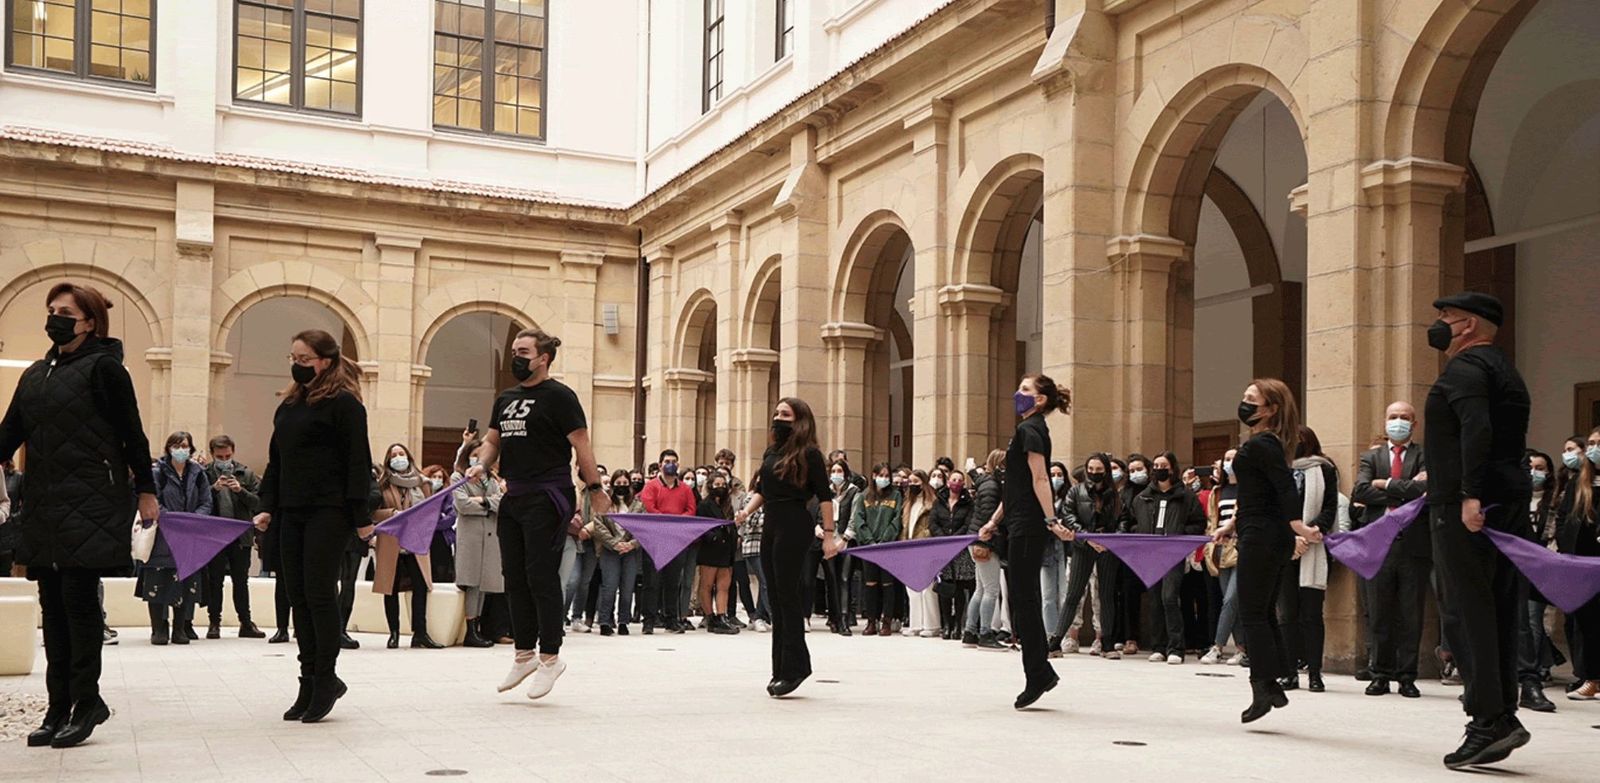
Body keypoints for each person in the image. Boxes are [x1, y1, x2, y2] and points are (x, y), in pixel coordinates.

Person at [0, 283, 158, 748]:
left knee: (78, 604)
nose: (55, 317)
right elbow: (10, 432)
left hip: (92, 500)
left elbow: (133, 434)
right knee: (54, 608)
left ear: (89, 321)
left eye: (65, 311)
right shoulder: (35, 374)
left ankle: (85, 702)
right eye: (52, 310)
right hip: (45, 504)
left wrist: (146, 492)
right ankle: (57, 707)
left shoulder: (106, 368)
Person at [1422, 292, 1533, 769]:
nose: (1440, 327)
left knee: (1466, 614)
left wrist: (1468, 493)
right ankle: (1502, 712)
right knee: (1498, 612)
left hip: (1469, 508)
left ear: (1467, 325)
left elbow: (1476, 429)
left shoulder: (1466, 369)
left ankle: (1488, 720)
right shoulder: (1505, 370)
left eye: (1446, 319)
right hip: (1504, 501)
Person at [467, 329, 609, 701]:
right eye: (513, 350)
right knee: (513, 575)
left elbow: (582, 445)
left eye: (523, 351)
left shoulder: (561, 397)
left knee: (540, 575)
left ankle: (550, 656)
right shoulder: (506, 398)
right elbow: (493, 441)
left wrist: (595, 489)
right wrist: (481, 464)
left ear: (543, 358)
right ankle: (524, 653)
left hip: (548, 494)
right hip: (513, 494)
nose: (516, 357)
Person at [252, 328, 375, 724]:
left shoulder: (345, 404)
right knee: (297, 595)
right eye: (293, 359)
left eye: (304, 359)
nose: (297, 366)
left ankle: (325, 677)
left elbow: (358, 462)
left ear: (326, 361)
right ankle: (308, 678)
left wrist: (361, 518)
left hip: (329, 510)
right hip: (291, 510)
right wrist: (266, 505)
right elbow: (276, 462)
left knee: (320, 593)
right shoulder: (289, 405)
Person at [1212, 378, 1320, 724]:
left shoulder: (1264, 445)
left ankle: (1263, 686)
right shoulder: (1266, 443)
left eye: (1251, 399)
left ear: (1270, 409)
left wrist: (1297, 524)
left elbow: (1284, 488)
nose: (1244, 404)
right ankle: (1272, 682)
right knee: (1263, 611)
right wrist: (1230, 526)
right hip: (1260, 531)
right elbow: (1257, 493)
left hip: (1264, 536)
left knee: (1252, 613)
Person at [734, 398, 838, 698]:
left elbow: (825, 497)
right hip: (772, 523)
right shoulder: (772, 452)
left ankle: (795, 668)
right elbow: (763, 491)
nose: (778, 418)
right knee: (775, 599)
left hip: (795, 523)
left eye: (786, 414)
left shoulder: (810, 454)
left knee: (787, 596)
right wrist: (745, 512)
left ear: (800, 420)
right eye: (777, 413)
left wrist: (829, 535)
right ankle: (780, 668)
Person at [979, 373, 1069, 709]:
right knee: (1022, 597)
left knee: (1025, 598)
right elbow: (1015, 486)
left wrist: (1051, 520)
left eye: (1025, 390)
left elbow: (1040, 477)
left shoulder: (1030, 430)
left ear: (1040, 400)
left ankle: (1039, 672)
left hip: (1029, 526)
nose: (1018, 393)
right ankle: (1039, 670)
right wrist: (993, 521)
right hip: (1018, 522)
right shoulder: (1027, 429)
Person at [1353, 401, 1430, 699]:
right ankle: (1380, 675)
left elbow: (1427, 492)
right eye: (1393, 417)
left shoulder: (1425, 455)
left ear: (1415, 424)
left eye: (1405, 418)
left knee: (1411, 615)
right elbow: (1360, 491)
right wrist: (1407, 486)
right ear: (1384, 421)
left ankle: (1407, 676)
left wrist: (1385, 484)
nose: (1398, 422)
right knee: (1380, 613)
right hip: (1379, 545)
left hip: (1414, 545)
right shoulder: (1370, 457)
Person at [1128, 451, 1205, 664]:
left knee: (1169, 597)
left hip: (1173, 553)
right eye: (1156, 466)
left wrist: (1180, 533)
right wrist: (1139, 533)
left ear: (1172, 469)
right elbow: (1130, 521)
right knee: (1154, 600)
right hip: (1150, 554)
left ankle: (1176, 647)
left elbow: (1198, 523)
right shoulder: (1143, 497)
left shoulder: (1186, 496)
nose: (1159, 469)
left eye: (1164, 465)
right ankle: (1158, 646)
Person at [1281, 426, 1338, 693]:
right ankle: (1289, 672)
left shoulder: (1325, 469)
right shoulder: (1280, 469)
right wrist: (1291, 537)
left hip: (1314, 546)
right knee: (1287, 614)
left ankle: (1315, 673)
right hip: (1285, 548)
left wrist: (1310, 533)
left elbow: (1330, 506)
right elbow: (1275, 507)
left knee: (1312, 615)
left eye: (1300, 440)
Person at [143, 431, 214, 645]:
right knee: (158, 579)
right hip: (163, 533)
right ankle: (158, 628)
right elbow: (153, 499)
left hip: (188, 533)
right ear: (168, 448)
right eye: (176, 445)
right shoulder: (158, 471)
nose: (180, 449)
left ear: (191, 448)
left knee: (185, 579)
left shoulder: (198, 472)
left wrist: (194, 519)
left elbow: (206, 501)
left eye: (184, 445)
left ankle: (180, 628)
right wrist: (171, 519)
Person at [1049, 453, 1122, 659]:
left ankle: (1107, 644)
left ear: (1106, 471)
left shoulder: (1114, 494)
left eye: (1099, 470)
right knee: (1073, 595)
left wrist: (1110, 541)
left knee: (1106, 596)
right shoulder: (1076, 491)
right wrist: (1087, 537)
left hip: (1107, 548)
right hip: (1083, 545)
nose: (1094, 474)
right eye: (1091, 470)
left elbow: (1122, 519)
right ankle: (1056, 641)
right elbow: (1068, 516)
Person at [371, 444, 443, 650]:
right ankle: (393, 633)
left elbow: (431, 511)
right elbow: (373, 513)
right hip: (390, 542)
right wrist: (392, 514)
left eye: (401, 454)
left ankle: (420, 633)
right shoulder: (382, 485)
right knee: (390, 588)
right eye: (394, 455)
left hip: (416, 542)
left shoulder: (423, 483)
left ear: (409, 457)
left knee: (420, 587)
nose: (398, 458)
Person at [202, 435, 264, 640]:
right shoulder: (205, 474)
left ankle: (245, 622)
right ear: (212, 455)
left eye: (227, 456)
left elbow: (257, 503)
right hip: (214, 536)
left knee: (241, 581)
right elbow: (199, 502)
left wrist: (240, 490)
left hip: (240, 536)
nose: (224, 460)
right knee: (215, 581)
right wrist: (214, 489)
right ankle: (214, 623)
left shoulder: (245, 473)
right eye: (220, 456)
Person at [1554, 429, 1600, 702]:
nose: (1593, 448)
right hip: (1581, 563)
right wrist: (1564, 545)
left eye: (1598, 444)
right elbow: (1562, 517)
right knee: (1587, 624)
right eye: (1592, 444)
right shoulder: (1578, 482)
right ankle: (1591, 678)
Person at [1516, 450, 1559, 712]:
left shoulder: (1547, 501)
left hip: (1531, 563)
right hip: (1491, 558)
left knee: (1527, 623)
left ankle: (1531, 680)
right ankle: (1486, 686)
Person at [452, 438, 505, 648]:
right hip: (471, 537)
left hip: (490, 537)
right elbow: (463, 505)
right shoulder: (458, 477)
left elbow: (502, 502)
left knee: (484, 584)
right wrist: (489, 504)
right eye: (476, 454)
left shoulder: (491, 479)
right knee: (472, 583)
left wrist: (483, 501)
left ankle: (479, 627)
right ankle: (470, 630)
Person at [639, 449, 697, 634]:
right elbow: (650, 508)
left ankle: (671, 619)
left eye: (673, 461)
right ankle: (648, 620)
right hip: (654, 540)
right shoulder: (651, 486)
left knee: (673, 581)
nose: (670, 464)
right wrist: (670, 521)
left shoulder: (685, 489)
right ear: (660, 464)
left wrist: (676, 523)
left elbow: (691, 509)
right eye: (667, 461)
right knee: (652, 581)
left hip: (676, 540)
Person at [848, 463, 902, 637]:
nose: (884, 479)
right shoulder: (864, 496)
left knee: (888, 584)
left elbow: (897, 520)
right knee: (870, 584)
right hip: (869, 548)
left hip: (887, 547)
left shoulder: (896, 495)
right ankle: (872, 621)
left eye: (887, 476)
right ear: (874, 475)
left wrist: (885, 540)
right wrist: (870, 541)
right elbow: (859, 520)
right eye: (882, 475)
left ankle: (886, 622)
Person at [1200, 450, 1243, 666]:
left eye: (1234, 459)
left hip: (1241, 549)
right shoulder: (1217, 491)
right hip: (1220, 550)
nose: (1229, 463)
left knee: (1231, 599)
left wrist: (1228, 529)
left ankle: (1217, 646)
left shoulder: (1248, 489)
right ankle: (1242, 648)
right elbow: (1212, 521)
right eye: (1226, 459)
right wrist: (1210, 545)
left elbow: (1240, 517)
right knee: (1230, 601)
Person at [964, 450, 1007, 650]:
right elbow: (990, 514)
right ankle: (985, 633)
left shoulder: (986, 482)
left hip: (978, 540)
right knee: (991, 589)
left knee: (980, 589)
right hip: (986, 540)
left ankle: (970, 632)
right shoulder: (992, 485)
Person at [591, 470, 642, 636]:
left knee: (627, 588)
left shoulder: (638, 505)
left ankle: (623, 621)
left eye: (624, 483)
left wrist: (631, 544)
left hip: (630, 551)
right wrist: (614, 544)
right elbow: (599, 526)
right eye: (618, 483)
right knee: (609, 587)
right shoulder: (604, 504)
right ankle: (605, 621)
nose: (622, 486)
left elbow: (643, 529)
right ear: (613, 485)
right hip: (610, 550)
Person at [932, 469, 975, 640]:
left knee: (959, 587)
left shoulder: (968, 503)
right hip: (942, 548)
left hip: (960, 549)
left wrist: (955, 539)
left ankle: (958, 624)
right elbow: (933, 522)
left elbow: (968, 523)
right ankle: (946, 625)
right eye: (954, 479)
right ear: (948, 482)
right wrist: (943, 539)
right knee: (944, 586)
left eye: (960, 480)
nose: (956, 482)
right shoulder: (939, 501)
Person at [695, 473, 740, 634]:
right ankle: (710, 616)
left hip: (727, 549)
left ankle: (722, 616)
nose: (720, 487)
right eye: (717, 484)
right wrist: (713, 537)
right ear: (710, 486)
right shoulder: (704, 505)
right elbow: (700, 526)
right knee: (706, 584)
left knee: (723, 585)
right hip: (710, 549)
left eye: (723, 484)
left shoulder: (728, 505)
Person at [901, 470, 939, 638]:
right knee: (912, 589)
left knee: (927, 588)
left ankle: (931, 624)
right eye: (910, 481)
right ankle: (915, 623)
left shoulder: (932, 502)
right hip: (909, 547)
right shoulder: (908, 503)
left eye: (915, 481)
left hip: (926, 546)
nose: (912, 485)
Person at [827, 459, 860, 636]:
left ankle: (845, 620)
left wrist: (845, 538)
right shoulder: (827, 491)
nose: (836, 474)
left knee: (844, 578)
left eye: (840, 471)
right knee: (831, 580)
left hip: (846, 540)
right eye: (834, 471)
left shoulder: (854, 491)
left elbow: (854, 517)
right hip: (828, 539)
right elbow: (820, 512)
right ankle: (834, 617)